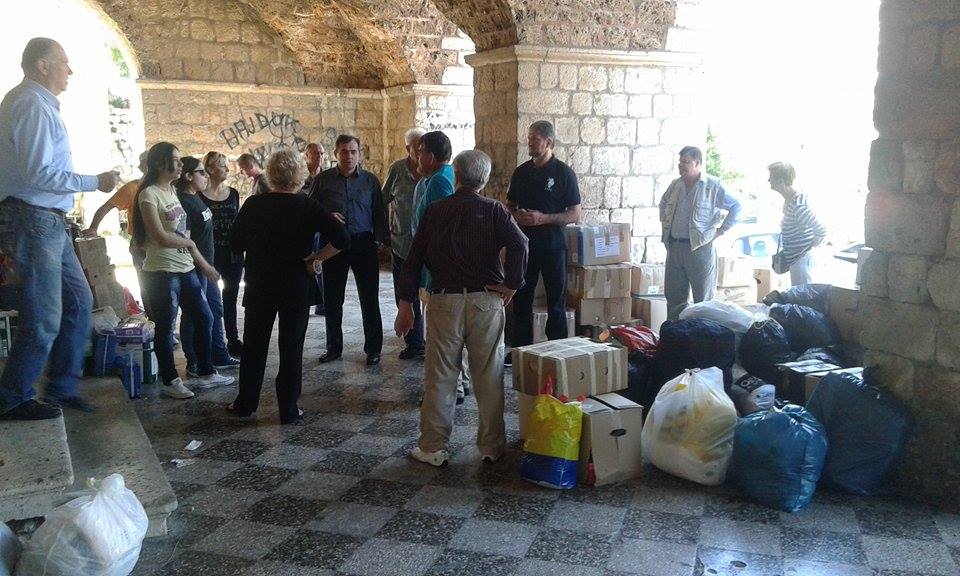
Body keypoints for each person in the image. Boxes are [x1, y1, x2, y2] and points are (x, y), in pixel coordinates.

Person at [0, 37, 119, 420]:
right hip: (33, 218)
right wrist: (95, 182)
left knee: (80, 301)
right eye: (64, 62)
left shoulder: (36, 104)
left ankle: (62, 386)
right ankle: (12, 397)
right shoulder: (32, 105)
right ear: (42, 66)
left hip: (47, 220)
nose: (70, 70)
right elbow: (39, 173)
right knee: (44, 315)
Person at [396, 149, 529, 467]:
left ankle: (432, 447)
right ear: (484, 179)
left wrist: (406, 304)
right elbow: (521, 243)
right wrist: (512, 284)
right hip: (486, 301)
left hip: (444, 300)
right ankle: (492, 447)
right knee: (489, 375)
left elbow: (413, 260)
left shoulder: (436, 210)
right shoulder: (494, 210)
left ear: (455, 175)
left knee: (440, 376)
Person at [228, 149, 349, 424]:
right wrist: (317, 258)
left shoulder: (253, 204)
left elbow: (235, 244)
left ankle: (245, 403)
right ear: (299, 175)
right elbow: (342, 238)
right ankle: (289, 408)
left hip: (260, 284)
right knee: (291, 347)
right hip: (295, 285)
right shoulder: (308, 206)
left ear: (270, 173)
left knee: (254, 346)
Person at [131, 142, 234, 400]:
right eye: (175, 160)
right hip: (162, 271)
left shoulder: (171, 191)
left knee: (205, 317)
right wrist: (192, 247)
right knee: (166, 327)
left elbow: (182, 233)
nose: (180, 164)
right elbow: (159, 236)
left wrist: (203, 264)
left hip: (185, 267)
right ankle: (170, 380)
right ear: (159, 163)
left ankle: (205, 372)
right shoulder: (149, 195)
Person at [506, 120, 581, 365]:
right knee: (521, 299)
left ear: (548, 142)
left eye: (534, 139)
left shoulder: (564, 174)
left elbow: (574, 213)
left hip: (553, 247)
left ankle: (557, 352)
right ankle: (520, 352)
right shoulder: (521, 172)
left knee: (555, 301)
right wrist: (517, 216)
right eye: (529, 138)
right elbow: (509, 205)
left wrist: (543, 218)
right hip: (524, 246)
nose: (529, 142)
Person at [309, 134, 387, 366]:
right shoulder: (323, 180)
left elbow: (379, 212)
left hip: (363, 242)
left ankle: (373, 349)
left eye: (353, 151)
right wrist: (326, 216)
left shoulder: (370, 181)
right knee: (333, 299)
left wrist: (379, 242)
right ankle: (333, 348)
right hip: (333, 244)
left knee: (369, 298)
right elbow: (309, 210)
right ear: (336, 154)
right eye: (344, 151)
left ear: (359, 154)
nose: (349, 156)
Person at [659, 145, 742, 319]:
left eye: (686, 162)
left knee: (703, 299)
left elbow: (736, 206)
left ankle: (701, 332)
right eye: (680, 162)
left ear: (697, 163)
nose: (681, 166)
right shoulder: (675, 185)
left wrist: (721, 230)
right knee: (674, 298)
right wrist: (665, 223)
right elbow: (664, 203)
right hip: (675, 247)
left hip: (699, 248)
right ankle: (674, 332)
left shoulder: (712, 186)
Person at [175, 156, 239, 377]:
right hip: (196, 268)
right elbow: (186, 241)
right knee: (194, 315)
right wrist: (203, 266)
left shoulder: (195, 197)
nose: (206, 176)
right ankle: (194, 362)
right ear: (188, 176)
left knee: (214, 310)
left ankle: (219, 355)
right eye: (201, 172)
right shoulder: (184, 201)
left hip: (206, 265)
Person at [382, 127, 425, 359]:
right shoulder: (397, 169)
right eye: (416, 148)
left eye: (423, 147)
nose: (421, 152)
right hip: (401, 242)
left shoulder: (433, 170)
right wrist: (383, 235)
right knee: (405, 293)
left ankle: (429, 337)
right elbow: (382, 199)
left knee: (426, 293)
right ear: (408, 148)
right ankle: (414, 341)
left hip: (426, 245)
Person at [201, 151, 244, 357]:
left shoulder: (233, 193)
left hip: (233, 254)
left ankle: (233, 339)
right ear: (209, 169)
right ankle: (212, 341)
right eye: (222, 165)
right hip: (209, 255)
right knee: (210, 300)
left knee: (230, 297)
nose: (227, 169)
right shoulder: (199, 196)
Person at [768, 161, 828, 286]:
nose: (768, 180)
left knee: (802, 295)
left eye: (771, 177)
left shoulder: (797, 205)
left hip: (801, 260)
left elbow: (821, 229)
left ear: (780, 180)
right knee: (798, 293)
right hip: (797, 259)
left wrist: (808, 247)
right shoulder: (791, 201)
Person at [83, 151, 148, 236]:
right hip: (141, 241)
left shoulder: (163, 187)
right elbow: (106, 206)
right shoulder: (132, 188)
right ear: (142, 166)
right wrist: (93, 228)